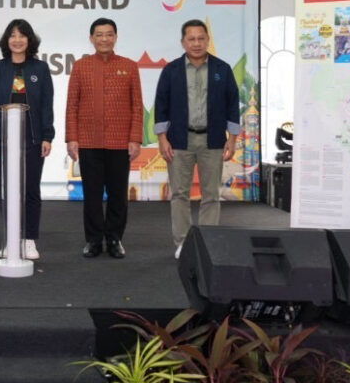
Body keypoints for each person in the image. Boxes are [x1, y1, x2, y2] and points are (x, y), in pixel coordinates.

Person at [154, 19, 240, 259]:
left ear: (208, 40)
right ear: (183, 42)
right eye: (191, 39)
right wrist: (162, 138)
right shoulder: (171, 71)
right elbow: (161, 105)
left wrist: (232, 139)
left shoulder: (222, 69)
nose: (196, 43)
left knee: (211, 195)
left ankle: (207, 243)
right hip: (179, 140)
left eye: (201, 38)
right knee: (179, 194)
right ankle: (182, 243)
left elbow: (233, 105)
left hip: (212, 141)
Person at [66, 17, 143, 259]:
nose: (104, 39)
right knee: (92, 194)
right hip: (88, 141)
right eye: (99, 35)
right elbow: (72, 105)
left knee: (119, 194)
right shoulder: (81, 66)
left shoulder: (129, 66)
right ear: (91, 38)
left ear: (116, 37)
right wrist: (72, 138)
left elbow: (137, 106)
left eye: (109, 34)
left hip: (120, 142)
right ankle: (93, 240)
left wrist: (135, 138)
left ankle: (115, 239)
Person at [0, 19, 54, 260]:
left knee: (31, 189)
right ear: (6, 41)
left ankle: (29, 239)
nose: (17, 39)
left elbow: (46, 105)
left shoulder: (40, 69)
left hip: (32, 139)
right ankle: (11, 238)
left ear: (29, 40)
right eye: (12, 35)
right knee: (8, 189)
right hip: (3, 139)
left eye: (22, 35)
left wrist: (47, 136)